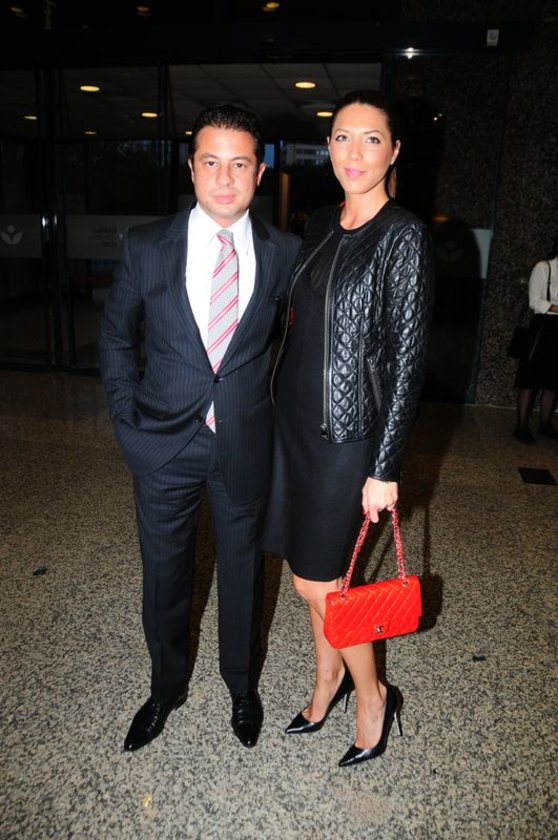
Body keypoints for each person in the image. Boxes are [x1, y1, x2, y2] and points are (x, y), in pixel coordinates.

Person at [98, 103, 300, 752]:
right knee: (164, 578)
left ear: (259, 174)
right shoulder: (146, 245)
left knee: (243, 575)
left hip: (243, 442)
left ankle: (242, 687)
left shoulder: (284, 253)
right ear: (191, 168)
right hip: (162, 443)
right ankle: (165, 689)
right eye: (211, 162)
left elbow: (296, 348)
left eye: (239, 164)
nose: (224, 177)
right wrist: (127, 420)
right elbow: (115, 338)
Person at [263, 90, 433, 768]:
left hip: (350, 434)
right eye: (341, 137)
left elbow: (410, 360)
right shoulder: (318, 224)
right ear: (328, 147)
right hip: (294, 428)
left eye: (370, 139)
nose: (353, 152)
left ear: (394, 152)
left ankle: (372, 695)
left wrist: (385, 467)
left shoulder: (403, 236)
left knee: (322, 585)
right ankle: (327, 680)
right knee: (310, 576)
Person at [513, 238, 558, 443]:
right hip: (543, 328)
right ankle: (521, 426)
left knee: (553, 381)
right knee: (529, 378)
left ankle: (545, 424)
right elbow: (534, 301)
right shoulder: (544, 267)